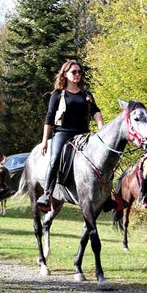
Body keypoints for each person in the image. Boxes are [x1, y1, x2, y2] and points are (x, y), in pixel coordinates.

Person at [36, 60, 104, 212]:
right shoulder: (57, 94)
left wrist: (101, 129)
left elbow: (96, 112)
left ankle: (107, 195)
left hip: (83, 134)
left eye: (80, 72)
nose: (77, 74)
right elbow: (49, 117)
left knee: (102, 158)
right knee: (55, 160)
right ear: (65, 74)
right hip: (63, 133)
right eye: (74, 72)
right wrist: (45, 141)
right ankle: (47, 194)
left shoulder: (87, 95)